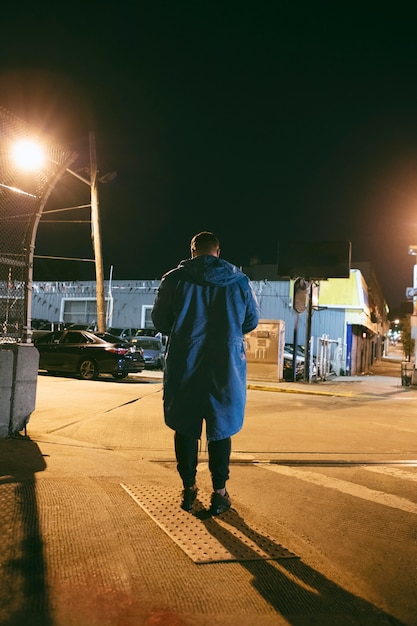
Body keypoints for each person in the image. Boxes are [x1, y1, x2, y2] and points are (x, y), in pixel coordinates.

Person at [151, 231, 259, 515]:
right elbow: (251, 321)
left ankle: (188, 489)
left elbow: (160, 321)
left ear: (193, 251)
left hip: (185, 361)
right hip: (225, 364)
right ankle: (220, 493)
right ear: (218, 252)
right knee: (221, 427)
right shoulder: (240, 282)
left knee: (185, 426)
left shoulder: (174, 279)